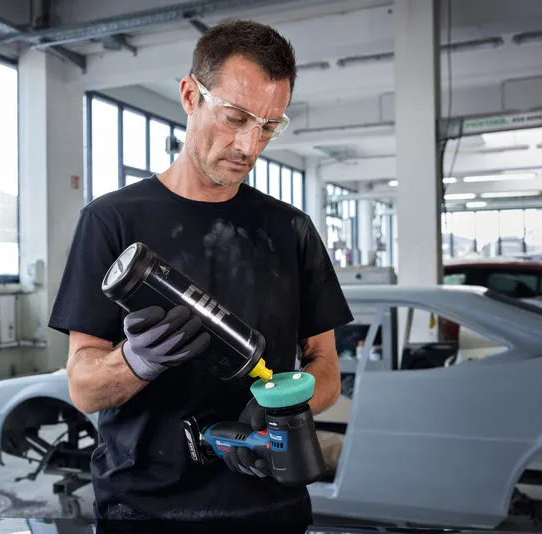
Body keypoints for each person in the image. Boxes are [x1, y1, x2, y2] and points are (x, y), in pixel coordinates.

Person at [48, 19, 353, 525]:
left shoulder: (291, 229)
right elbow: (84, 387)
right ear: (191, 96)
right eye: (236, 117)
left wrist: (287, 407)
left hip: (269, 507)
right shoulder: (113, 221)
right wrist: (136, 361)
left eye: (269, 126)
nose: (250, 146)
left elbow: (326, 369)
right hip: (143, 507)